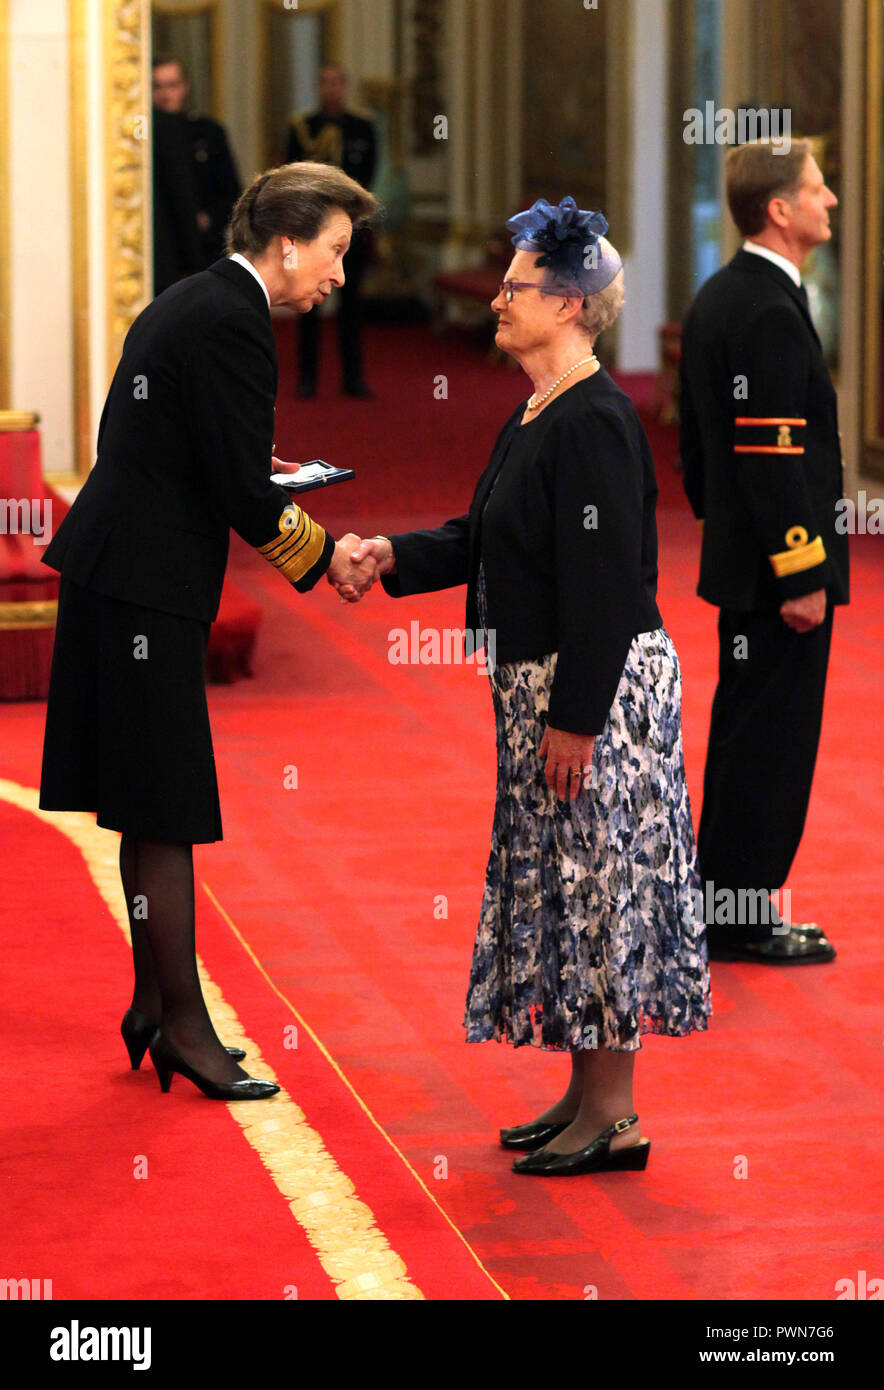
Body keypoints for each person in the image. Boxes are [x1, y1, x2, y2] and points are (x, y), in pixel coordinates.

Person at [348, 198, 711, 1176]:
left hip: (593, 699)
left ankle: (614, 1114)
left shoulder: (591, 420)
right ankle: (581, 1094)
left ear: (570, 304)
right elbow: (485, 537)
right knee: (566, 886)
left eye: (515, 287)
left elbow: (600, 588)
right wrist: (388, 553)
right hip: (548, 688)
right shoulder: (540, 407)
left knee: (604, 888)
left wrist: (575, 722)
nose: (497, 299)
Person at [39, 163, 379, 1101]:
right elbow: (236, 491)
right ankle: (186, 1028)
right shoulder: (237, 323)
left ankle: (154, 1003)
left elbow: (152, 435)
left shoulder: (195, 296)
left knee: (149, 799)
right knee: (168, 805)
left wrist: (238, 458)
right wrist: (325, 558)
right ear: (286, 244)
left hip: (121, 574)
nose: (339, 277)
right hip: (145, 586)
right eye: (335, 254)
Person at [679, 138, 849, 964]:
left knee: (747, 736)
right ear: (778, 210)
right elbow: (775, 459)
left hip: (742, 565)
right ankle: (742, 920)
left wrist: (730, 537)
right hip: (780, 577)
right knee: (772, 746)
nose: (832, 202)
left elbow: (701, 458)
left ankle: (725, 906)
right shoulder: (770, 309)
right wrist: (802, 572)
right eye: (818, 190)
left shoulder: (722, 295)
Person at [286, 63, 377, 398]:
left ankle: (353, 378)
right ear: (319, 87)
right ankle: (307, 379)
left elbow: (367, 179)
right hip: (312, 229)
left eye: (338, 82)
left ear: (346, 86)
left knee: (351, 307)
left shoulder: (363, 127)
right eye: (325, 82)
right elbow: (292, 175)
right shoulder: (302, 127)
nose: (332, 89)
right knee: (308, 304)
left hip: (351, 228)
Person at [152, 55, 242, 267]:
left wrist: (208, 218)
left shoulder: (207, 132)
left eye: (172, 85)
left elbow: (232, 192)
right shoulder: (141, 135)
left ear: (184, 87)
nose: (166, 95)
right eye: (157, 87)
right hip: (161, 245)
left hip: (205, 248)